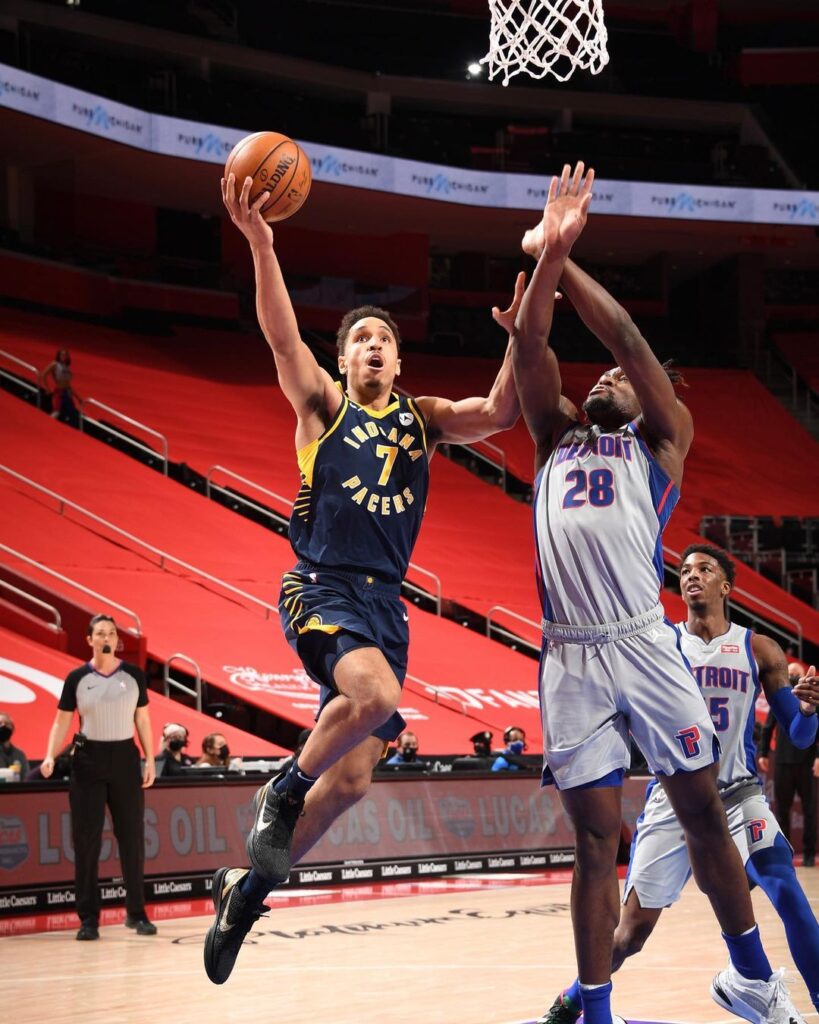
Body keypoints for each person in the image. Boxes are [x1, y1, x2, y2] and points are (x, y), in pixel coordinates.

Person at [204, 171, 524, 985]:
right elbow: (281, 339)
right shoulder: (321, 408)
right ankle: (280, 789)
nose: (373, 346)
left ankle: (246, 892)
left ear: (398, 356)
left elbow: (498, 411)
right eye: (360, 339)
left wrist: (525, 335)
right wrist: (262, 244)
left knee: (349, 782)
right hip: (320, 584)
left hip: (386, 609)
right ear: (343, 358)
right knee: (376, 700)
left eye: (384, 337)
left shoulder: (422, 420)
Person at [513, 161, 804, 1024]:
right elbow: (529, 347)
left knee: (702, 810)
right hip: (569, 652)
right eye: (594, 378)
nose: (600, 380)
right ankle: (595, 1009)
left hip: (644, 641)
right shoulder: (552, 436)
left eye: (615, 380)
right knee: (596, 838)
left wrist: (564, 259)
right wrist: (540, 261)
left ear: (649, 397)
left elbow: (629, 338)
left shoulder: (661, 442)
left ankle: (751, 976)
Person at [540, 544, 819, 1022]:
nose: (692, 576)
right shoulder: (659, 645)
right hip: (672, 800)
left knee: (786, 889)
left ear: (726, 586)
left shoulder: (759, 649)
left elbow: (798, 731)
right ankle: (571, 1001)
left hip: (737, 797)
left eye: (705, 569)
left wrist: (811, 712)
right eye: (685, 570)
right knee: (630, 933)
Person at [40, 614, 157, 940]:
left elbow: (143, 721)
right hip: (88, 761)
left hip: (124, 758)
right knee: (86, 841)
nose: (107, 637)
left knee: (132, 839)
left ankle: (137, 913)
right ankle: (88, 919)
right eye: (100, 633)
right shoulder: (77, 677)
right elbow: (61, 722)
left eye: (111, 633)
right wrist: (51, 754)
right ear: (89, 639)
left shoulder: (134, 675)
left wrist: (150, 759)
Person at [759, 662, 819, 868]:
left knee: (810, 809)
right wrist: (763, 753)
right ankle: (785, 854)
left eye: (797, 674)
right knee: (781, 809)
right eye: (791, 674)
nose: (794, 677)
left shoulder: (814, 697)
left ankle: (810, 854)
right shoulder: (780, 699)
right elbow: (767, 728)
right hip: (783, 760)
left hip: (808, 762)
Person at [42, 348, 80, 426]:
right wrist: (47, 388)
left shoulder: (67, 367)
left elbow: (68, 384)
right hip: (59, 392)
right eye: (62, 354)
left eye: (65, 355)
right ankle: (45, 426)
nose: (64, 356)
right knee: (56, 411)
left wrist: (78, 397)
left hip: (67, 393)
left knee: (73, 413)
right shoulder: (55, 364)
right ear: (58, 356)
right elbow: (44, 374)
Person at [0, 711, 29, 778]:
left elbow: (26, 778)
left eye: (7, 724)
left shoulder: (20, 755)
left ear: (12, 729)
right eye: (0, 723)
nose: (3, 726)